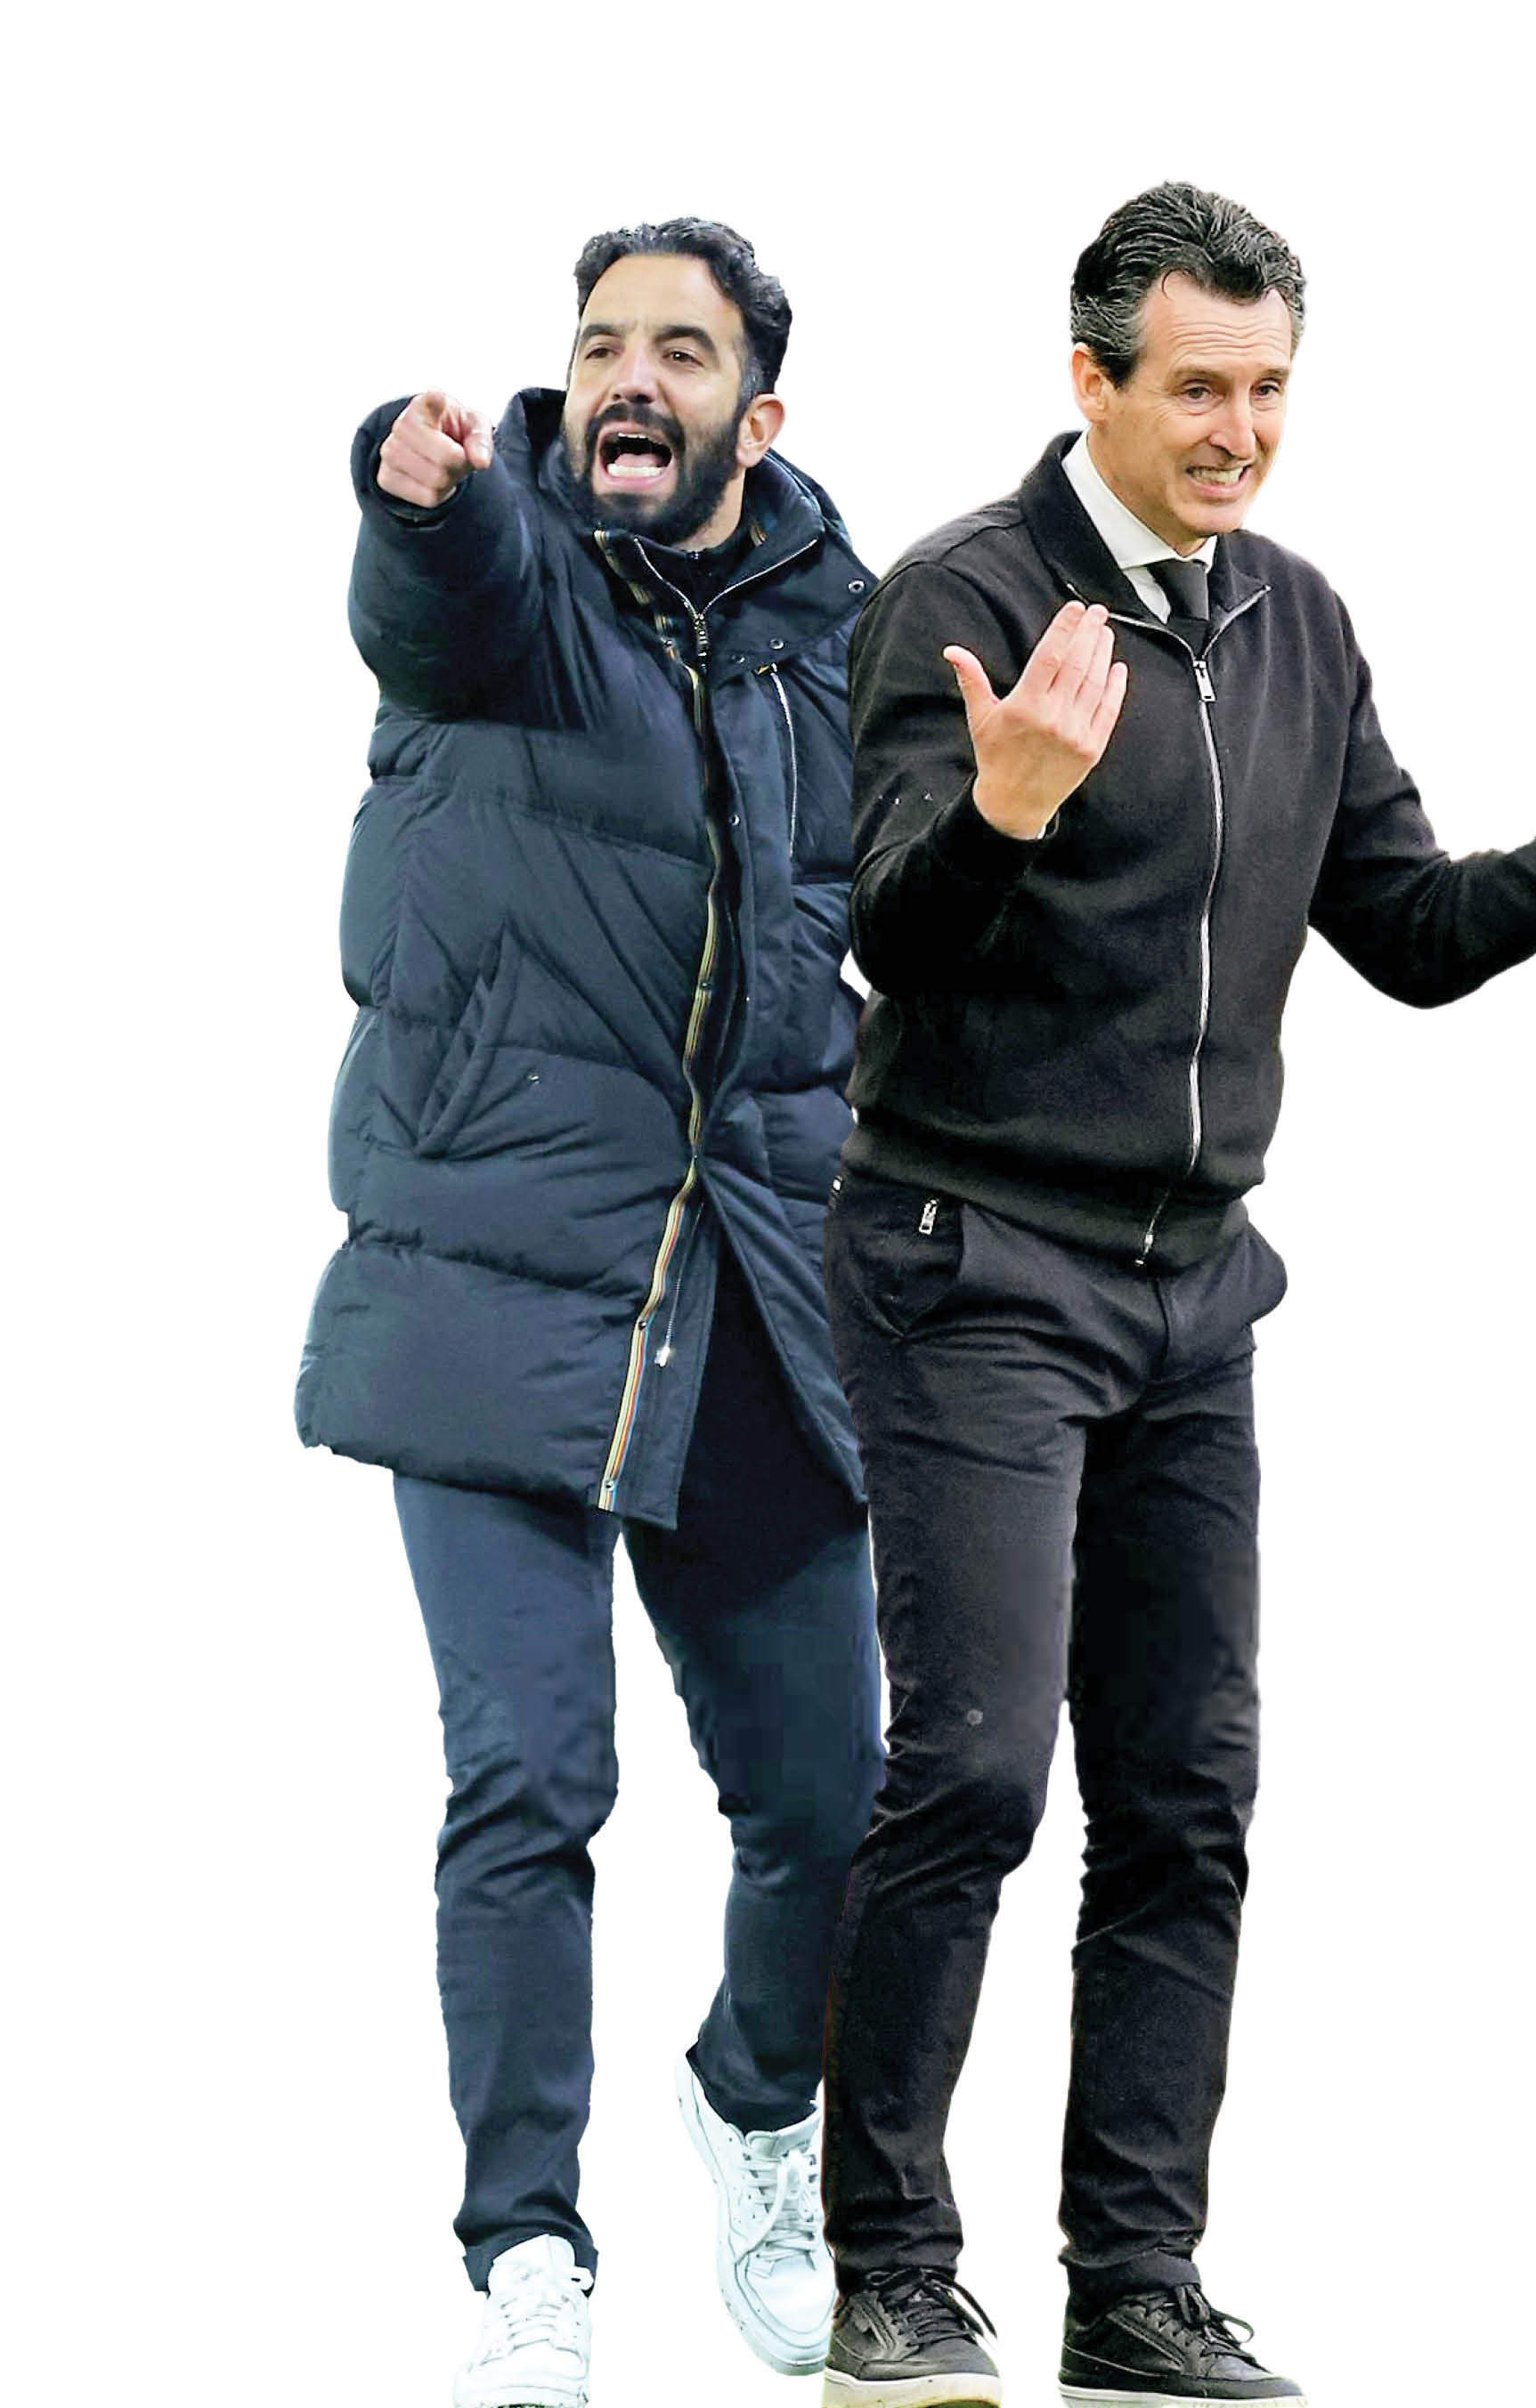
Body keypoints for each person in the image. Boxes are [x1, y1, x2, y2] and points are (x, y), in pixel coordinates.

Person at [817, 182, 1536, 2408]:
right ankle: (890, 2270)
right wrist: (1007, 808)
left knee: (1188, 1792)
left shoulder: (1296, 621)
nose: (1239, 431)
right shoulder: (964, 595)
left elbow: (1408, 932)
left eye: (1271, 391)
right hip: (971, 1270)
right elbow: (888, 943)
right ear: (1091, 380)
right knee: (976, 1770)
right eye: (1197, 387)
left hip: (1191, 1298)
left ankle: (1134, 2282)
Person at [296, 216, 885, 2407]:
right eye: (603, 343)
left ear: (762, 409)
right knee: (533, 1776)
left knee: (840, 1794)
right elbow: (433, 586)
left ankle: (754, 2103)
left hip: (746, 1284)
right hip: (492, 1290)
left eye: (682, 350)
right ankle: (527, 2252)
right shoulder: (516, 576)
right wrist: (410, 479)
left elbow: (905, 918)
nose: (631, 376)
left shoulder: (837, 637)